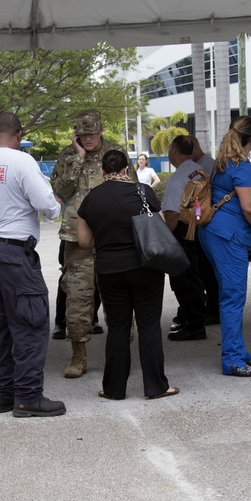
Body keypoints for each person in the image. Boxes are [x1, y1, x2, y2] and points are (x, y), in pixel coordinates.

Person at [0, 112, 64, 417]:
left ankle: (3, 395)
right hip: (14, 253)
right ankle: (29, 397)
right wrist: (56, 204)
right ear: (17, 134)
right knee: (30, 323)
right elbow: (47, 205)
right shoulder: (21, 162)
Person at [77, 150, 179, 400]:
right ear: (126, 170)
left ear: (102, 171)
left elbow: (84, 242)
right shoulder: (144, 191)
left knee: (118, 328)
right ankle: (156, 386)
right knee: (148, 326)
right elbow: (161, 225)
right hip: (146, 269)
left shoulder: (91, 199)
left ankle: (113, 389)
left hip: (110, 271)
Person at [50, 109, 131, 378]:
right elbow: (60, 191)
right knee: (77, 300)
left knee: (118, 299)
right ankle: (78, 356)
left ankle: (119, 353)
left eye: (92, 133)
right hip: (78, 241)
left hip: (113, 238)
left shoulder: (115, 152)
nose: (88, 139)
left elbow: (128, 188)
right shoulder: (67, 155)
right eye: (82, 135)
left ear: (101, 130)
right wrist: (78, 159)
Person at [195, 117, 251, 376]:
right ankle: (233, 359)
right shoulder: (242, 168)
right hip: (229, 236)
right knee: (233, 297)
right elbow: (249, 207)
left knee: (230, 293)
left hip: (214, 232)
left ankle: (238, 349)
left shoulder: (221, 164)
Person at [160, 135, 209, 341]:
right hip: (199, 228)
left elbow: (171, 215)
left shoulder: (178, 178)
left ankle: (194, 325)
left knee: (183, 281)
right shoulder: (198, 171)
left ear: (173, 151)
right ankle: (192, 319)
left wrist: (165, 238)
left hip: (181, 231)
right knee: (195, 278)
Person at [191, 136, 220, 325]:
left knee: (208, 270)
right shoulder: (197, 164)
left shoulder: (208, 165)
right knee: (202, 269)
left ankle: (214, 309)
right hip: (198, 220)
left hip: (208, 220)